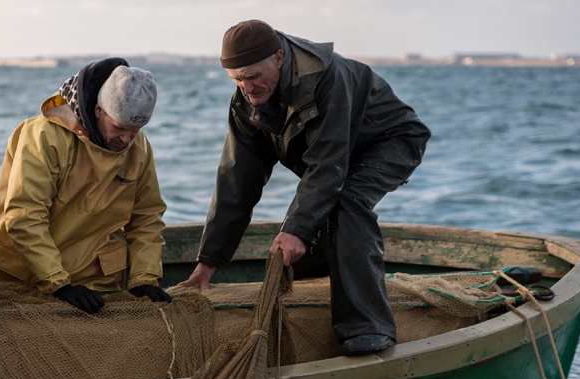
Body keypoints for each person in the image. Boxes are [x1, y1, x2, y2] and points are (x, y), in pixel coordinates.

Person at [179, 20, 432, 355]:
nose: (247, 87)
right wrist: (208, 261)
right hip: (336, 156)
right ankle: (332, 262)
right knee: (318, 213)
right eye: (237, 79)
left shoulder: (327, 78)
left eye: (253, 76)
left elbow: (328, 167)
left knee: (346, 202)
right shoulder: (246, 103)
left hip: (391, 141)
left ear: (279, 58)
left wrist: (296, 230)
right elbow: (236, 183)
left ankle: (368, 327)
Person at [0, 58, 170, 314]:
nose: (126, 139)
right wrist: (59, 285)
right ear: (98, 110)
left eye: (135, 130)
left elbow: (147, 219)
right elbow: (25, 216)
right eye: (119, 128)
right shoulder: (42, 136)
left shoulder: (139, 147)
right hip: (20, 281)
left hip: (94, 287)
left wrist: (144, 279)